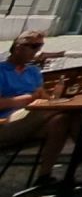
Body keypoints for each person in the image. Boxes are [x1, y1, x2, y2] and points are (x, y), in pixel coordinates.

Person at [0, 32, 74, 188]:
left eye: (40, 46)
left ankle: (44, 176)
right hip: (6, 123)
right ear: (18, 47)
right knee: (52, 111)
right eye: (33, 46)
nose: (36, 51)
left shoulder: (33, 71)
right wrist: (30, 99)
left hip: (32, 120)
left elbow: (45, 99)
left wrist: (53, 95)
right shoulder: (2, 71)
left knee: (61, 120)